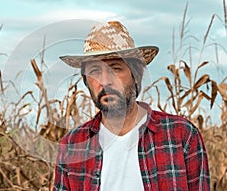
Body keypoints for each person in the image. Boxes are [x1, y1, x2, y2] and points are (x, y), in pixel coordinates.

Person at [53, 21, 210, 190]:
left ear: (136, 74)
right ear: (86, 81)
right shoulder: (72, 146)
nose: (105, 81)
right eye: (95, 71)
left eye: (115, 68)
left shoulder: (181, 135)